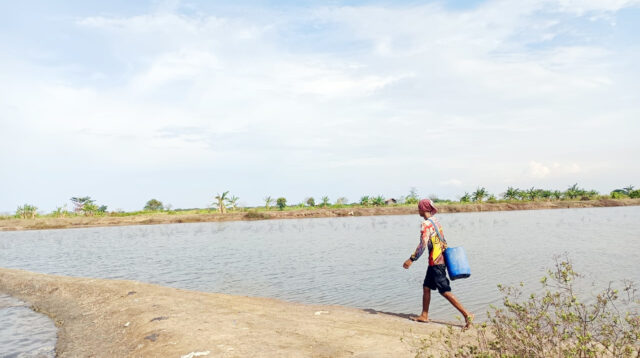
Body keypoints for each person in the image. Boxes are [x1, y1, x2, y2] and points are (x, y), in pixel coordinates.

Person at [403, 198, 473, 329]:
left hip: (436, 263)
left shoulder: (425, 225)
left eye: (419, 208)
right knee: (426, 287)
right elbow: (443, 240)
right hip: (438, 260)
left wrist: (411, 259)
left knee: (445, 291)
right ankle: (424, 315)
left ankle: (467, 314)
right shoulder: (435, 221)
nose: (418, 210)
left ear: (423, 209)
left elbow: (422, 245)